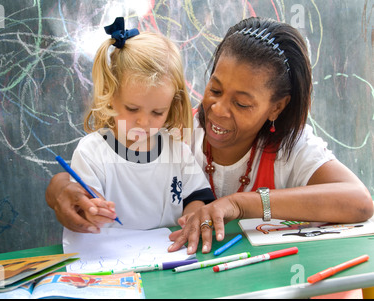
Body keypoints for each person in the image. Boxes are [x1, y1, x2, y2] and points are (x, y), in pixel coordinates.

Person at [46, 17, 373, 252]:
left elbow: (358, 203)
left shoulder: (291, 147)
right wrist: (62, 189)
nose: (217, 109)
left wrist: (240, 205)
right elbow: (96, 167)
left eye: (242, 103)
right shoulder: (176, 131)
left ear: (277, 107)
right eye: (214, 89)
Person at [60, 17, 214, 231]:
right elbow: (84, 205)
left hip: (171, 257)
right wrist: (93, 211)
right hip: (114, 259)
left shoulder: (177, 150)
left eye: (158, 112)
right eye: (132, 109)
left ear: (172, 105)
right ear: (110, 94)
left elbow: (197, 197)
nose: (143, 121)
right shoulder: (92, 153)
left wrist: (192, 217)